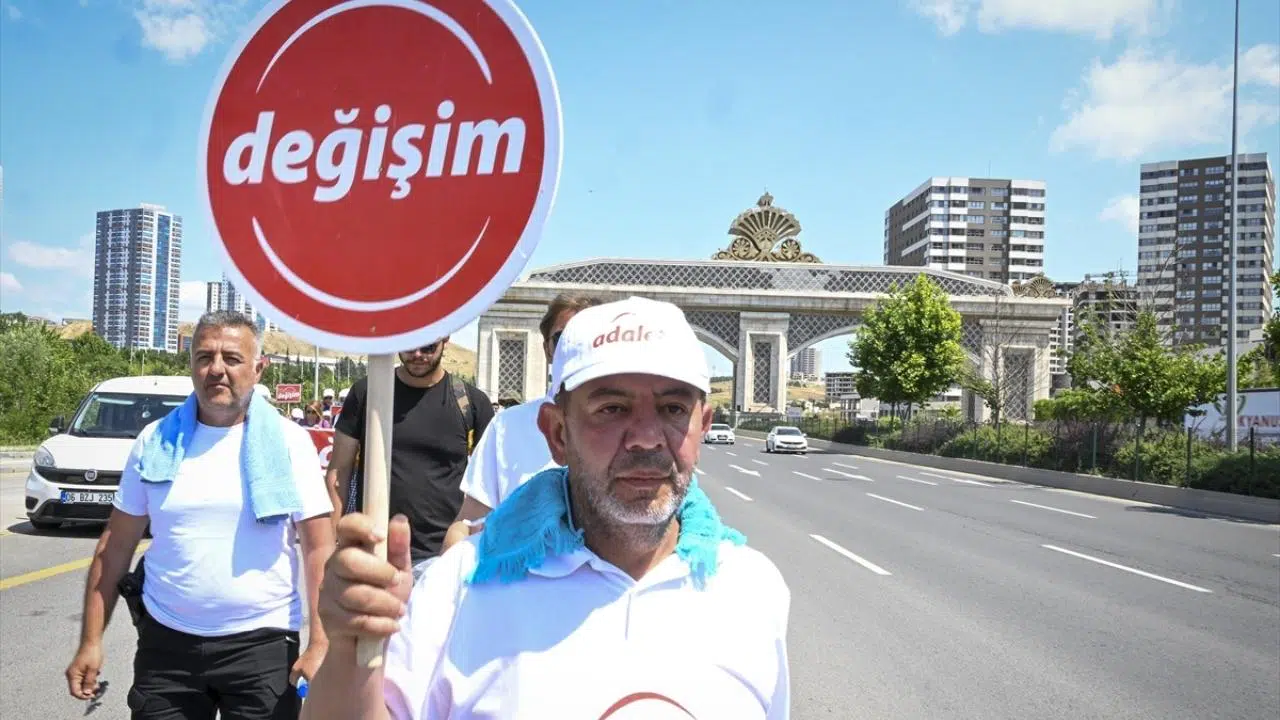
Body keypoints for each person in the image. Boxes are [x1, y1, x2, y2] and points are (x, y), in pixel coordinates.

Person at [304, 296, 792, 719]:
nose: (646, 439)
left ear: (702, 426)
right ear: (557, 433)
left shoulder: (751, 588)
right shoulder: (461, 588)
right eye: (613, 409)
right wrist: (348, 647)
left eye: (673, 410)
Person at [65, 310, 335, 719]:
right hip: (167, 648)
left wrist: (321, 642)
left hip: (262, 647)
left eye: (232, 358)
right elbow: (115, 546)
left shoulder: (289, 443)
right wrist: (90, 640)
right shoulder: (155, 440)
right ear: (191, 364)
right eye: (205, 357)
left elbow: (318, 548)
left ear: (258, 368)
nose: (217, 370)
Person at [440, 293, 604, 554]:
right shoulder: (507, 427)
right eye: (562, 338)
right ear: (547, 350)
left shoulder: (632, 431)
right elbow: (469, 521)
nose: (573, 347)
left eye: (587, 338)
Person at [326, 335, 494, 574]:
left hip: (444, 558)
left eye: (427, 345)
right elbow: (338, 471)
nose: (417, 355)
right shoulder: (367, 393)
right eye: (408, 345)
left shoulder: (471, 402)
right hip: (374, 551)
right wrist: (332, 545)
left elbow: (488, 487)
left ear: (445, 339)